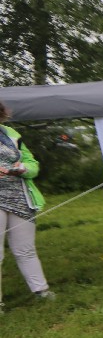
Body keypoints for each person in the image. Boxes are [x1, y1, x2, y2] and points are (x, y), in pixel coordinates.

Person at [0, 101, 53, 311]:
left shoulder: (10, 133)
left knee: (26, 249)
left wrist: (22, 168)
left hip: (20, 197)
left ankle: (42, 292)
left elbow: (33, 165)